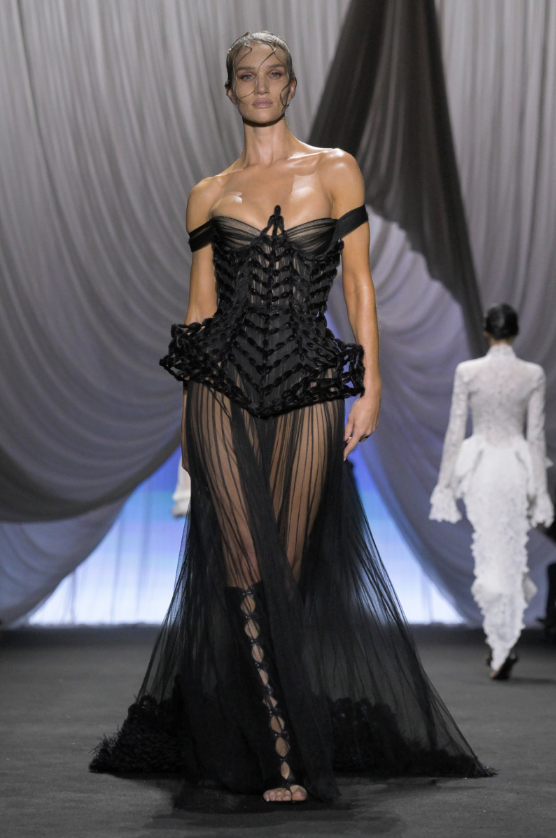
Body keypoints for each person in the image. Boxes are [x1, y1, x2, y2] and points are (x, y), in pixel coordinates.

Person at [91, 31, 491, 803]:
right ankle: (280, 753)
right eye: (247, 75)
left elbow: (359, 285)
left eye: (273, 73)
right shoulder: (209, 193)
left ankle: (273, 724)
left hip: (310, 382)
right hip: (219, 386)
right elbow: (200, 308)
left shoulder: (336, 169)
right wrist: (185, 414)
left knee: (290, 569)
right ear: (230, 91)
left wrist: (372, 383)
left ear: (293, 85)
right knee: (243, 565)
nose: (261, 85)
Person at [430, 303, 553, 680]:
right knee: (509, 553)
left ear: (486, 331)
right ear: (514, 332)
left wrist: (445, 483)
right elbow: (535, 438)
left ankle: (501, 646)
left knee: (491, 553)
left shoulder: (468, 371)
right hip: (515, 468)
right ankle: (503, 643)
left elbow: (455, 432)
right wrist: (542, 492)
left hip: (482, 468)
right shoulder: (532, 374)